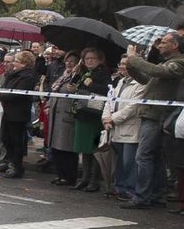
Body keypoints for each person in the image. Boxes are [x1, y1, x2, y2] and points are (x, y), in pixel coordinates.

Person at [123, 31, 184, 209]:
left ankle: (141, 196)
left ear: (175, 45)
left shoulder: (179, 62)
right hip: (152, 114)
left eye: (164, 42)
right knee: (155, 157)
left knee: (143, 156)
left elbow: (157, 72)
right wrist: (132, 66)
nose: (160, 45)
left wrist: (134, 58)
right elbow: (147, 79)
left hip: (160, 115)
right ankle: (157, 195)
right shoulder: (165, 62)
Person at [102, 55, 145, 200]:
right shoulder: (119, 82)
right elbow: (110, 101)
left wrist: (113, 118)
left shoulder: (140, 84)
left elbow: (133, 107)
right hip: (116, 128)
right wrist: (106, 118)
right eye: (121, 64)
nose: (122, 67)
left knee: (129, 161)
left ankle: (130, 189)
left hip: (131, 128)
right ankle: (120, 187)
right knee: (119, 161)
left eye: (126, 64)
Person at [70, 48, 110, 192]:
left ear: (100, 59)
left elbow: (106, 90)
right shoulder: (84, 73)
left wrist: (90, 84)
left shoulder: (103, 73)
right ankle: (84, 178)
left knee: (94, 149)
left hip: (94, 116)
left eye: (93, 58)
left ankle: (94, 180)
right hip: (82, 114)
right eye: (87, 59)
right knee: (84, 149)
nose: (89, 61)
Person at [0, 50, 39, 178]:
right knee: (5, 138)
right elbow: (5, 86)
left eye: (17, 61)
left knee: (16, 141)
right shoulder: (13, 74)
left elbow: (17, 93)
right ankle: (10, 162)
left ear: (24, 64)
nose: (14, 63)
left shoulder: (28, 76)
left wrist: (0, 96)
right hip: (9, 111)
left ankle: (16, 166)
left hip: (18, 113)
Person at [46, 51, 82, 186]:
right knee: (56, 148)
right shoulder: (63, 76)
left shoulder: (77, 77)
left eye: (72, 61)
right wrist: (49, 105)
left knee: (67, 149)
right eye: (67, 61)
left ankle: (69, 176)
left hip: (67, 117)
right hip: (56, 116)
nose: (69, 63)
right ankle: (60, 174)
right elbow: (54, 91)